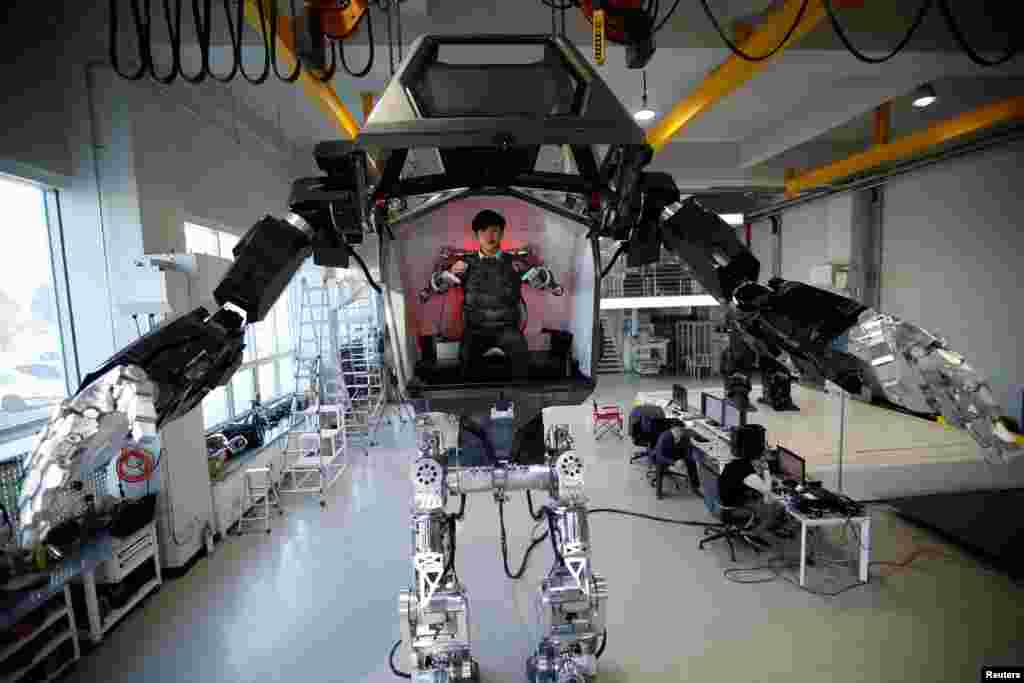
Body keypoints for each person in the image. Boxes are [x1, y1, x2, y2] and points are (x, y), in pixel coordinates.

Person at [448, 209, 530, 377]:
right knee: (466, 359)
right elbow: (439, 283)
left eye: (495, 231)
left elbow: (544, 280)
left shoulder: (515, 263)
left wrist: (530, 272)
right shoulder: (464, 264)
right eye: (483, 231)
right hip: (476, 330)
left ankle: (521, 397)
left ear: (501, 234)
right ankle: (469, 399)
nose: (489, 236)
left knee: (521, 357)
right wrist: (450, 272)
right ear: (477, 235)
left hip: (508, 329)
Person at [718, 447, 791, 542]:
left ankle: (768, 526)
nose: (763, 463)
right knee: (775, 507)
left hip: (727, 502)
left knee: (765, 500)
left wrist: (771, 479)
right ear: (755, 460)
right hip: (733, 510)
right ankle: (754, 533)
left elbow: (754, 478)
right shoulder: (747, 474)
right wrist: (766, 469)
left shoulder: (738, 463)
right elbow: (767, 490)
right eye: (762, 461)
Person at [652, 420, 701, 499]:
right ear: (673, 429)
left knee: (691, 461)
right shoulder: (664, 437)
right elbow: (659, 455)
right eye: (678, 431)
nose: (680, 433)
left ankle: (695, 487)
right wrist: (674, 463)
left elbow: (688, 449)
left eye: (682, 431)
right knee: (660, 465)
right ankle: (658, 492)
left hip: (676, 453)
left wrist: (684, 460)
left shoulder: (684, 436)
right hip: (663, 456)